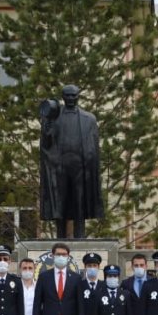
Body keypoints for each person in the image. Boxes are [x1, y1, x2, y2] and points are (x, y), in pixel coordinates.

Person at [39, 85, 104, 239]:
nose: (70, 98)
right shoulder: (54, 117)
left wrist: (89, 166)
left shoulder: (89, 119)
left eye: (73, 95)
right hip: (59, 167)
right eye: (67, 96)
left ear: (78, 96)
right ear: (63, 97)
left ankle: (80, 236)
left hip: (81, 168)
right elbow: (46, 142)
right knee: (59, 203)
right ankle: (60, 237)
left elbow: (94, 147)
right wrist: (47, 123)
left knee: (80, 201)